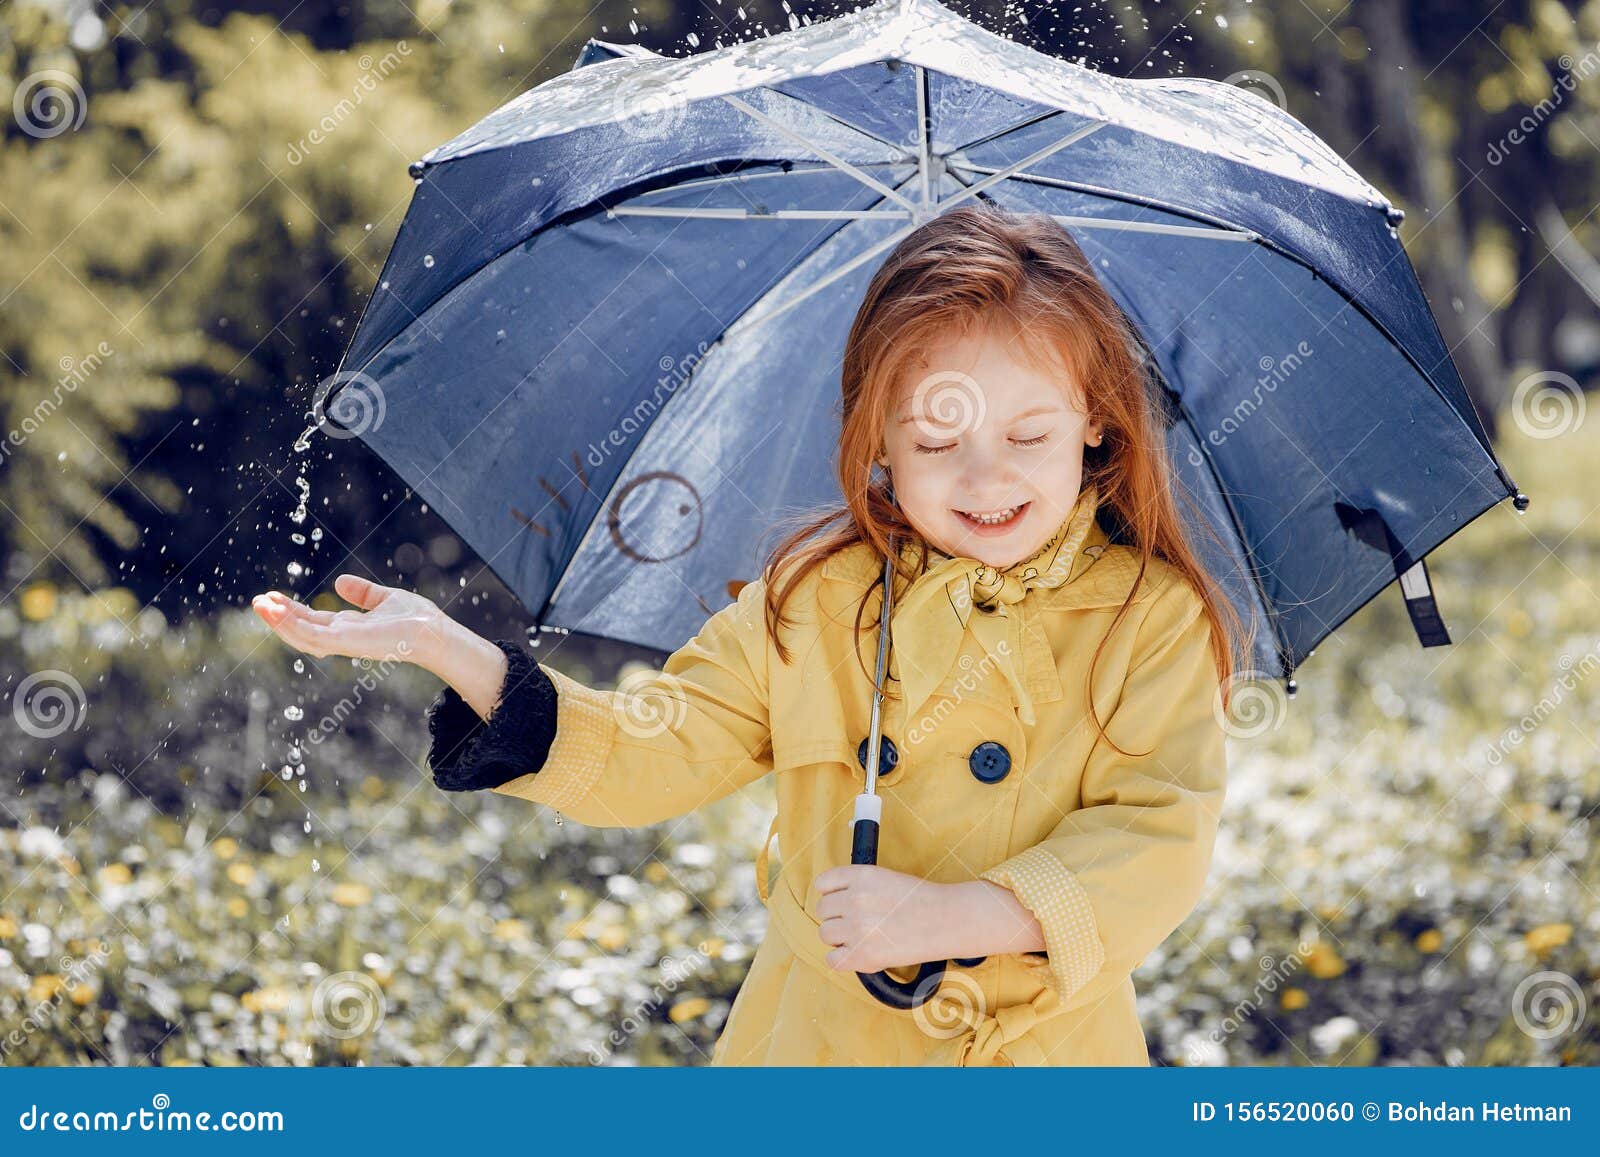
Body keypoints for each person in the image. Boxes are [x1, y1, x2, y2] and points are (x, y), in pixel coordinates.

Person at [254, 201, 1253, 1065]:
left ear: (1095, 422)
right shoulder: (818, 599)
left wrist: (954, 915)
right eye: (936, 441)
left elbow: (1154, 838)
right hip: (818, 1059)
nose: (987, 479)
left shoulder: (1147, 618)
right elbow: (655, 748)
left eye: (1029, 436)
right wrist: (452, 647)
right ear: (877, 443)